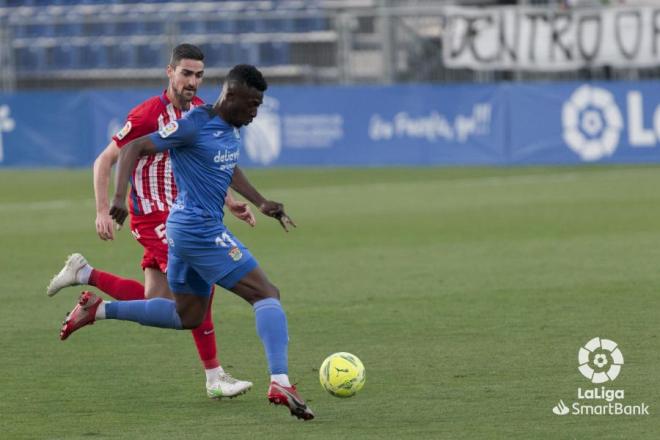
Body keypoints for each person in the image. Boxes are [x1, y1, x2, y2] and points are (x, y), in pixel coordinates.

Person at [59, 64, 315, 421]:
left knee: (187, 315)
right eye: (252, 104)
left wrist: (260, 202)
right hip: (198, 229)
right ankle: (280, 381)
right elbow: (133, 147)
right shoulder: (194, 123)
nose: (256, 112)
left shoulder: (230, 128)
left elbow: (228, 165)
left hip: (184, 230)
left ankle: (97, 310)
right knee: (266, 294)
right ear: (232, 95)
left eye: (259, 105)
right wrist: (118, 199)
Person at [47, 43, 254, 399]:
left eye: (199, 75)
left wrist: (232, 201)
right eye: (186, 73)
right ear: (170, 72)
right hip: (154, 215)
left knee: (157, 299)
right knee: (203, 284)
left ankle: (85, 276)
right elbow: (105, 159)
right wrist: (102, 210)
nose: (192, 81)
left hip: (182, 212)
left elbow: (207, 165)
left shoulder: (201, 113)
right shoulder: (147, 115)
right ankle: (214, 376)